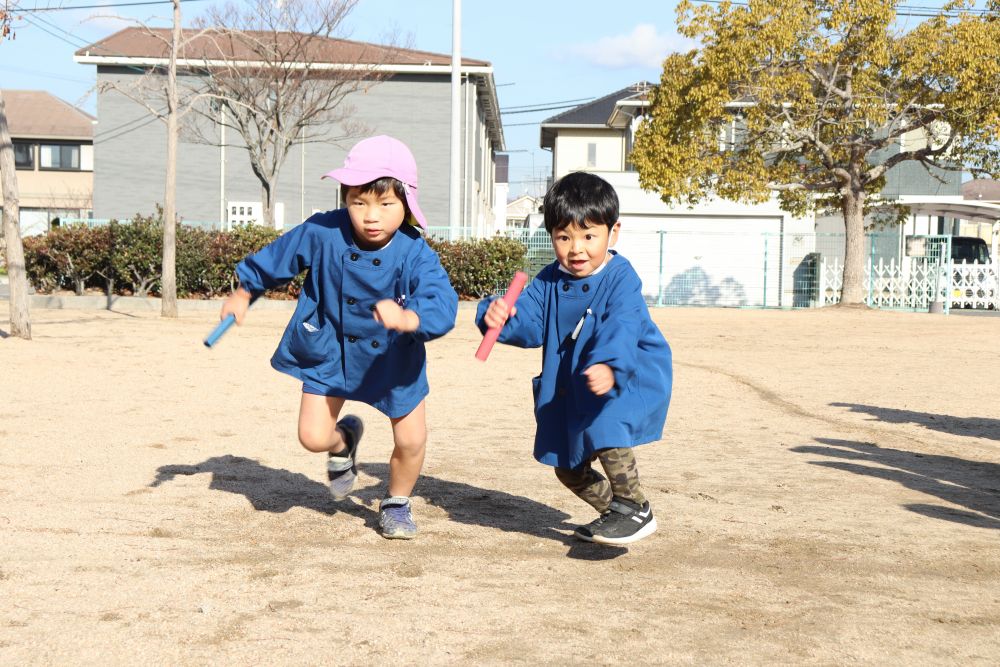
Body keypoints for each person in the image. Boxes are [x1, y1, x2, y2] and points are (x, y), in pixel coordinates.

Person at [220, 135, 458, 540]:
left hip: (393, 357)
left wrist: (409, 317)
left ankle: (397, 501)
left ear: (407, 205)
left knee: (412, 439)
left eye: (386, 204)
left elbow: (442, 301)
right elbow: (278, 258)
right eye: (358, 202)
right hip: (329, 346)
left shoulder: (415, 253)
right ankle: (343, 440)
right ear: (344, 197)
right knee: (312, 437)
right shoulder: (323, 230)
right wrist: (245, 290)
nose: (371, 216)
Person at [476, 171, 672, 545]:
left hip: (624, 371)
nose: (576, 248)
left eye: (588, 235)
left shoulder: (621, 277)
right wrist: (498, 317)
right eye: (564, 237)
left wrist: (609, 364)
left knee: (605, 424)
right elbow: (530, 324)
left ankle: (634, 506)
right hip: (571, 381)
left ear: (613, 233)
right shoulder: (548, 280)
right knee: (565, 465)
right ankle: (615, 514)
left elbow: (624, 325)